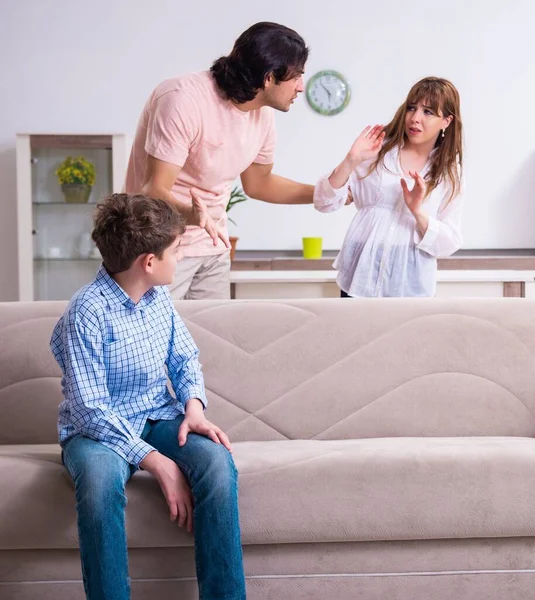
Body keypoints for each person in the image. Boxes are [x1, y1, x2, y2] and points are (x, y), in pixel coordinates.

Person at [50, 193, 245, 600]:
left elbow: (184, 357)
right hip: (97, 431)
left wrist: (193, 407)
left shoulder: (158, 298)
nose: (179, 260)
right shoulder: (85, 312)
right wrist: (157, 463)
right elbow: (90, 409)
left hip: (157, 414)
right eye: (175, 252)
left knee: (217, 463)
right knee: (101, 481)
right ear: (149, 262)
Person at [125, 21, 315, 300]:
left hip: (213, 248)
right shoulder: (183, 98)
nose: (301, 87)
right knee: (152, 340)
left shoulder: (262, 114)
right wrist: (193, 215)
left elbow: (259, 184)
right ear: (269, 77)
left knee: (210, 339)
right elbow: (154, 189)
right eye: (296, 76)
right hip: (159, 249)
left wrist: (325, 192)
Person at [314, 76, 464, 297]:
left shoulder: (450, 171)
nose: (415, 118)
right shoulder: (376, 150)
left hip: (409, 283)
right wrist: (351, 159)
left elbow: (449, 242)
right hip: (360, 278)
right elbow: (324, 202)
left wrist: (417, 211)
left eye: (428, 112)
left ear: (446, 121)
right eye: (412, 108)